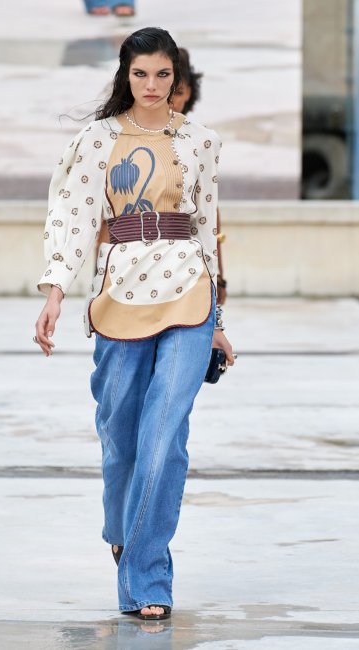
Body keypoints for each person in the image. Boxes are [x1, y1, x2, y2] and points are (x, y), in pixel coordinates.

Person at [34, 27, 235, 621]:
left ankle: (148, 576)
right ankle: (123, 531)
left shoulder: (200, 141)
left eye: (163, 75)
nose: (152, 85)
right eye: (141, 74)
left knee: (164, 437)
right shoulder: (96, 141)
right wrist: (54, 293)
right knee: (120, 436)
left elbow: (206, 228)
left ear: (177, 79)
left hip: (189, 291)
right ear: (126, 75)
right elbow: (71, 218)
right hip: (120, 290)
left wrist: (218, 319)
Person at [172, 48, 228, 304]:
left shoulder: (200, 142)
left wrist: (219, 276)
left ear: (190, 93)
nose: (172, 101)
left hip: (189, 264)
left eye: (179, 92)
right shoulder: (125, 137)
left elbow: (209, 211)